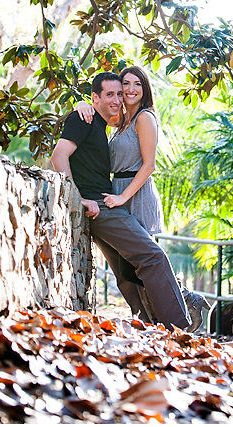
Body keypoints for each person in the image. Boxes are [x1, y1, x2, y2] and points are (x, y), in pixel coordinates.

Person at [50, 71, 190, 329]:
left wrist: (85, 105)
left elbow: (149, 164)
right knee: (139, 264)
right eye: (114, 91)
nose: (119, 96)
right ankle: (173, 326)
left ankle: (165, 325)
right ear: (95, 97)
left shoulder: (117, 121)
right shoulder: (94, 119)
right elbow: (59, 157)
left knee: (137, 264)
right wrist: (77, 197)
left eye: (121, 91)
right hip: (100, 204)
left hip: (118, 198)